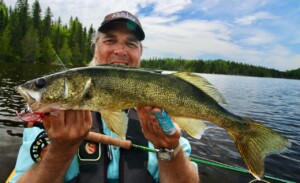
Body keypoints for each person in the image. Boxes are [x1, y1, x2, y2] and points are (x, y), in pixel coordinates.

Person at [10, 11, 199, 183]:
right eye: (110, 41)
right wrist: (60, 150)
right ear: (95, 48)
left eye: (131, 43)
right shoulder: (50, 117)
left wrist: (170, 148)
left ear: (140, 54)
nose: (120, 51)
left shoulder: (162, 112)